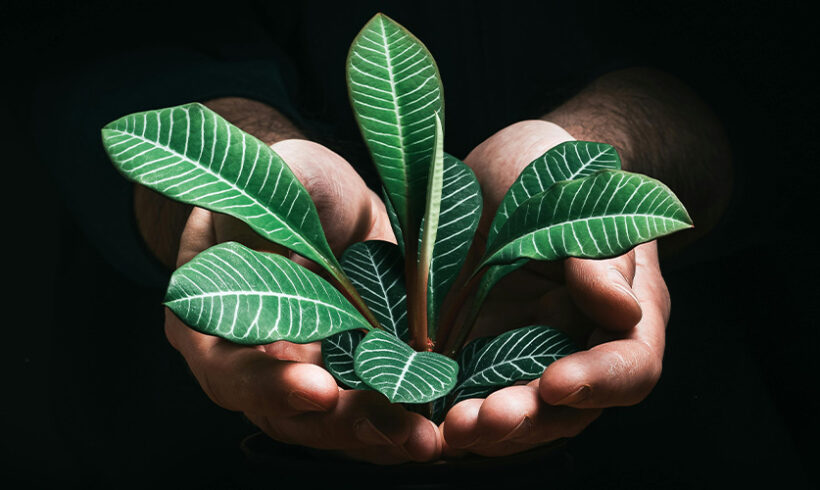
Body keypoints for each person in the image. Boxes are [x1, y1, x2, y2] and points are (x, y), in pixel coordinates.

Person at [29, 0, 744, 478]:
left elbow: (753, 67)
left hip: (677, 439)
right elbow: (102, 44)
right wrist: (254, 181)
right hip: (180, 446)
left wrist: (610, 146)